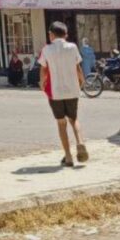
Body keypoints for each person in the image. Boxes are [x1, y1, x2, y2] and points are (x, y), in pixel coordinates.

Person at [39, 21, 87, 168]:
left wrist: (42, 84)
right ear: (65, 34)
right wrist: (81, 82)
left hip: (56, 91)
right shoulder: (72, 47)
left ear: (51, 34)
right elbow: (78, 68)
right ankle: (80, 142)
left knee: (61, 123)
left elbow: (43, 70)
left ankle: (68, 156)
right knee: (74, 119)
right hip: (72, 90)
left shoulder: (47, 49)